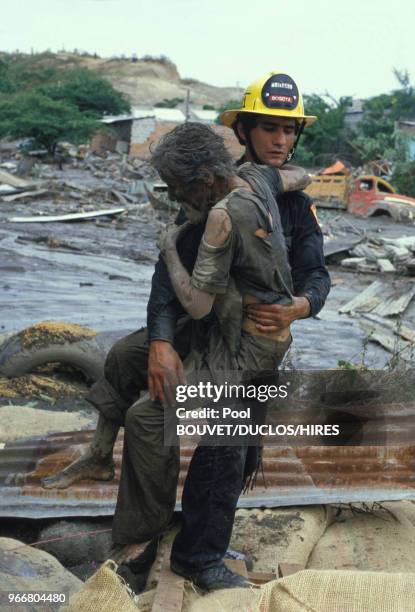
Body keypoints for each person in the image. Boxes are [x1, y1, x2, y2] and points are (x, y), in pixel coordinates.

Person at [40, 70, 330, 587]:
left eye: (289, 130)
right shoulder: (209, 184)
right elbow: (167, 283)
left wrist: (299, 307)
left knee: (225, 443)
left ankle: (198, 553)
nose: (281, 140)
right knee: (127, 360)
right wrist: (158, 342)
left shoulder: (285, 201)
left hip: (247, 345)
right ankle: (124, 492)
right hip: (204, 330)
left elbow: (317, 274)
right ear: (241, 131)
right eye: (268, 128)